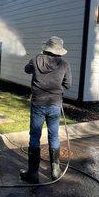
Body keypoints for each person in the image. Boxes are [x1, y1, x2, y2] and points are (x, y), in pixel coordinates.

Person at [20, 36, 72, 183]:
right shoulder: (64, 64)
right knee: (54, 136)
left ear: (46, 48)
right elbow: (68, 85)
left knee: (35, 137)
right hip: (55, 105)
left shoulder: (37, 59)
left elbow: (26, 69)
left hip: (38, 105)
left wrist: (37, 59)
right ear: (59, 51)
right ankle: (55, 171)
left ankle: (32, 173)